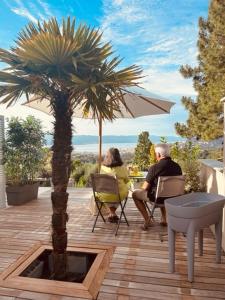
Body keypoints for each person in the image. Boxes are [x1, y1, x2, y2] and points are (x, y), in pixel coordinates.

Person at [132, 143, 182, 230]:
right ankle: (164, 219)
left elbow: (145, 188)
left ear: (158, 154)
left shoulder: (154, 168)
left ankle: (148, 220)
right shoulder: (177, 167)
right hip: (173, 198)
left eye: (156, 154)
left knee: (135, 194)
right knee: (164, 191)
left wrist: (141, 188)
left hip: (158, 198)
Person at [99, 148, 129, 223]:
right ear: (118, 156)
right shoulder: (122, 168)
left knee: (107, 196)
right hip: (119, 195)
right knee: (121, 192)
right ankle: (112, 213)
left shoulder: (102, 168)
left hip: (104, 195)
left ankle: (111, 213)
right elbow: (126, 181)